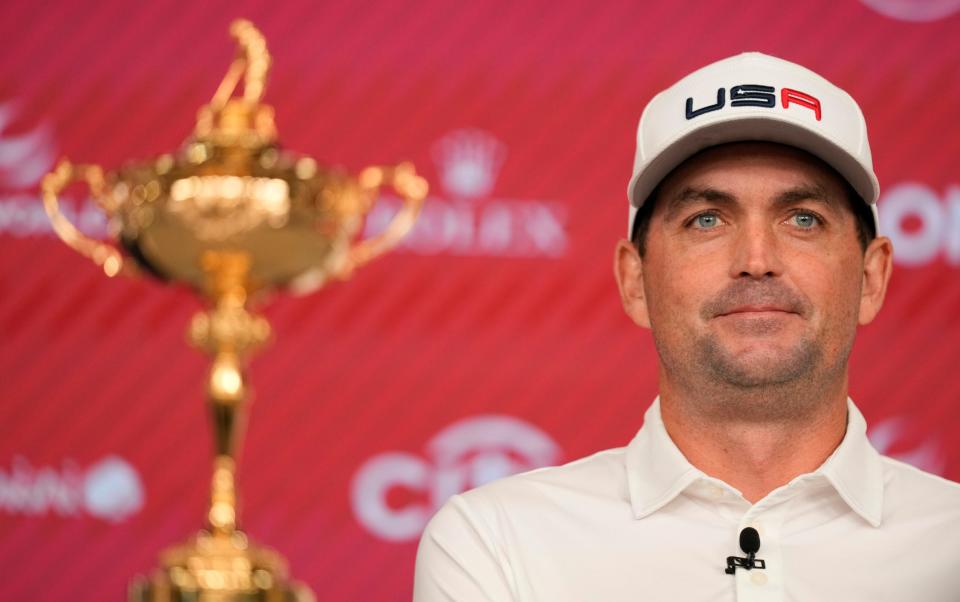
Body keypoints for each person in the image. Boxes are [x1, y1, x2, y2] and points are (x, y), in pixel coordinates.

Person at [412, 52, 960, 601]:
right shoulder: (498, 544)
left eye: (802, 219)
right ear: (635, 280)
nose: (756, 257)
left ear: (871, 277)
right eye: (706, 219)